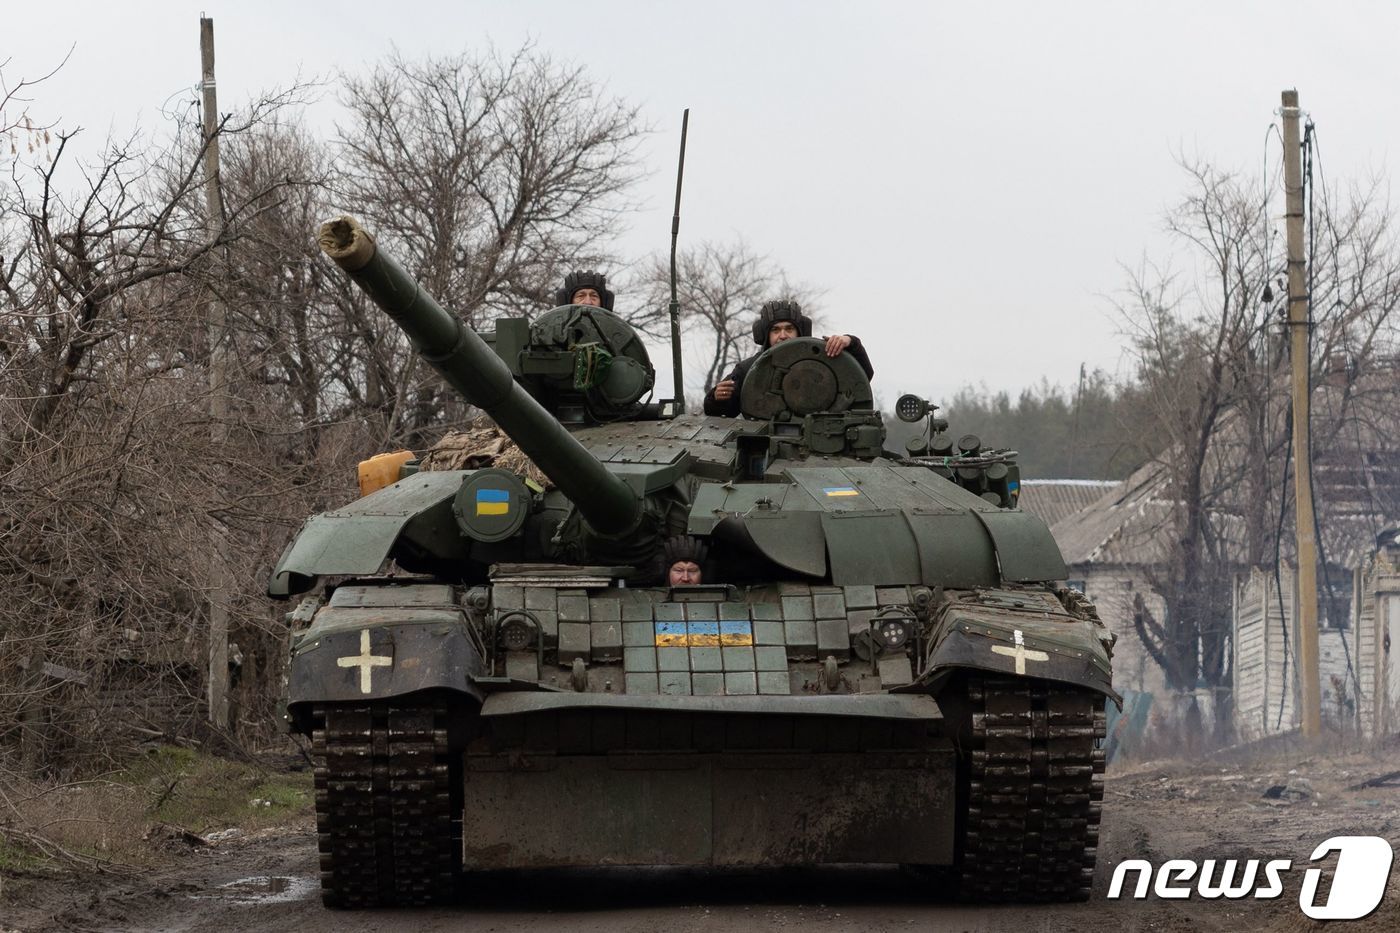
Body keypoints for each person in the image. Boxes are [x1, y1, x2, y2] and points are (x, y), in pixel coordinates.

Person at [702, 300, 874, 416]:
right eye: (775, 330)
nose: (782, 335)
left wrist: (851, 342)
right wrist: (716, 398)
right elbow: (723, 411)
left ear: (800, 331)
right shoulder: (750, 369)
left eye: (789, 328)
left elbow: (863, 377)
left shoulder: (825, 358)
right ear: (765, 335)